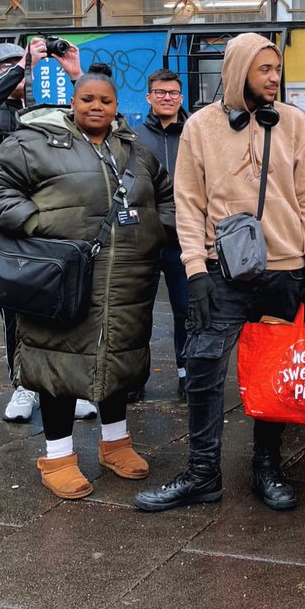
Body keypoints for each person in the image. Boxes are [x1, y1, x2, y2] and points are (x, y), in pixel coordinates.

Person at [134, 33, 305, 513]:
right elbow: (188, 202)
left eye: (277, 69)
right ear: (239, 69)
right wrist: (195, 269)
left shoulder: (297, 124)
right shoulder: (200, 126)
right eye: (264, 69)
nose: (274, 78)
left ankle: (267, 465)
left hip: (283, 270)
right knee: (202, 369)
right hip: (221, 272)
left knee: (275, 376)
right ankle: (203, 474)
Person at [0, 64, 174, 499]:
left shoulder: (136, 151)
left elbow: (166, 193)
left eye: (106, 100)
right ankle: (59, 456)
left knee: (118, 363)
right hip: (61, 283)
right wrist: (32, 224)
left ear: (118, 106)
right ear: (73, 102)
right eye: (88, 99)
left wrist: (158, 229)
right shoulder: (36, 143)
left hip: (126, 283)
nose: (97, 107)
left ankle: (116, 444)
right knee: (58, 369)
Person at [0, 37, 95, 424]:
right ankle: (24, 386)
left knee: (70, 307)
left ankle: (69, 387)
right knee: (17, 312)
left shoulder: (54, 108)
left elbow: (97, 112)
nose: (14, 72)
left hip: (59, 224)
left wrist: (75, 75)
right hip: (14, 231)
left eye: (17, 65)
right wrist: (21, 66)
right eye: (4, 69)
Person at [135, 68, 190, 402]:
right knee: (138, 311)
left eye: (172, 93)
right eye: (160, 92)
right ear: (149, 97)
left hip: (184, 239)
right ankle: (135, 375)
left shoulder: (195, 133)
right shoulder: (135, 136)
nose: (167, 97)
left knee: (187, 311)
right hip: (145, 238)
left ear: (181, 97)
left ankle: (187, 374)